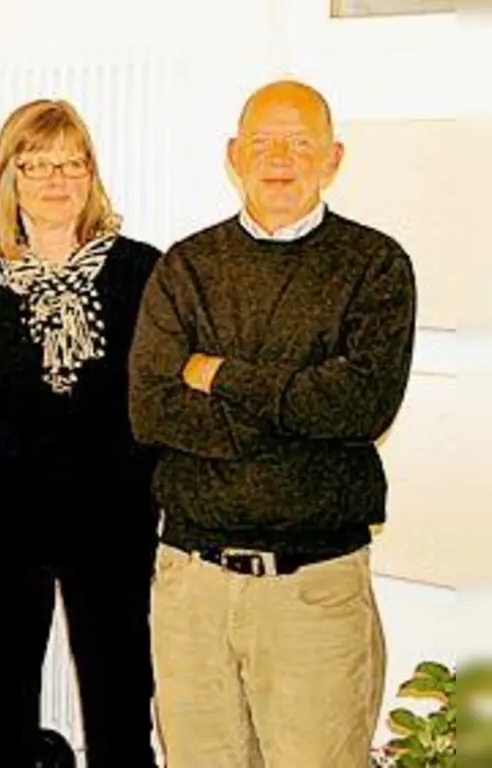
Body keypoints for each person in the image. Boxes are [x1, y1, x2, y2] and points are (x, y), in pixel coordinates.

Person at [130, 79, 416, 767]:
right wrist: (295, 405)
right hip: (192, 587)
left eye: (300, 143)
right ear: (234, 154)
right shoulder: (186, 266)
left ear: (333, 158)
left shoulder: (375, 266)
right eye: (262, 142)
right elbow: (151, 406)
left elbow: (360, 406)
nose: (279, 158)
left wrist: (223, 375)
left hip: (313, 592)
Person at [0, 100, 163, 767]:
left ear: (92, 174)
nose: (55, 180)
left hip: (113, 509)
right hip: (10, 509)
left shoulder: (141, 271)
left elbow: (147, 400)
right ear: (7, 178)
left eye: (72, 163)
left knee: (120, 696)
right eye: (35, 164)